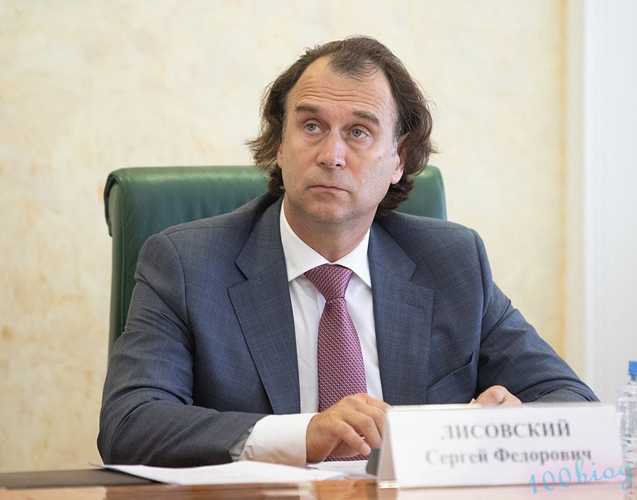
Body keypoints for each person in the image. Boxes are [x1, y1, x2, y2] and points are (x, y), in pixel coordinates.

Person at [98, 36, 597, 467]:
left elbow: (575, 404)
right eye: (311, 126)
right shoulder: (186, 264)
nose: (331, 155)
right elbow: (130, 424)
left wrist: (504, 428)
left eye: (359, 132)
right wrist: (303, 435)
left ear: (398, 159)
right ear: (279, 144)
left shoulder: (453, 263)